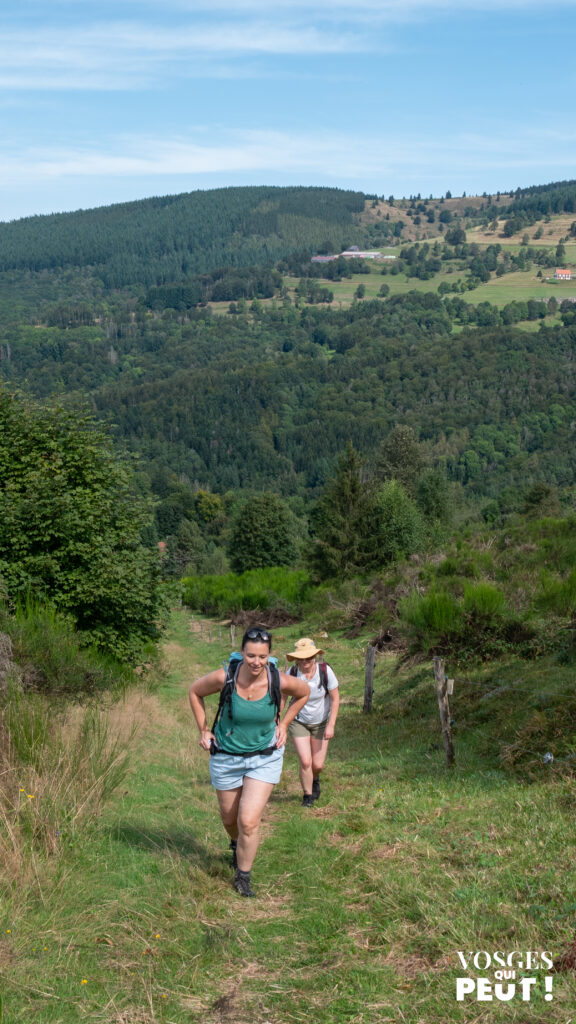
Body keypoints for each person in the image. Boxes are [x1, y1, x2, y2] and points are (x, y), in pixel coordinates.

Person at [189, 627, 309, 898]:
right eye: (251, 655)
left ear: (270, 656)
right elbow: (195, 692)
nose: (257, 662)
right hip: (226, 757)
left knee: (249, 821)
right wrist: (204, 730)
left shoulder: (278, 680)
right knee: (229, 818)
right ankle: (235, 842)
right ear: (242, 653)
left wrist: (285, 724)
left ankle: (243, 876)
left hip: (263, 757)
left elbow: (303, 693)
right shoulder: (226, 677)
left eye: (263, 657)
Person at [286, 637, 340, 807]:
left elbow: (335, 698)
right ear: (295, 659)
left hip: (321, 722)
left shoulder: (325, 671)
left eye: (308, 658)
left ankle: (314, 779)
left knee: (317, 765)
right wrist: (279, 719)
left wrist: (331, 724)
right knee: (306, 761)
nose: (305, 662)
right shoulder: (292, 674)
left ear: (315, 657)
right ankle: (307, 795)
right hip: (298, 721)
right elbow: (283, 696)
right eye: (300, 659)